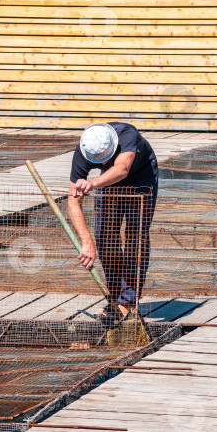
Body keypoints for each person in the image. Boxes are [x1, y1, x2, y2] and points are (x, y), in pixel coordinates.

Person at [67, 122, 158, 321]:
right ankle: (115, 298)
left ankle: (127, 302)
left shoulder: (127, 135)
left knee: (136, 239)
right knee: (105, 239)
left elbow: (122, 169)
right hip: (108, 182)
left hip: (141, 179)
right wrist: (86, 241)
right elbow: (73, 202)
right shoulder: (83, 150)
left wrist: (92, 183)